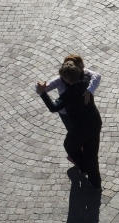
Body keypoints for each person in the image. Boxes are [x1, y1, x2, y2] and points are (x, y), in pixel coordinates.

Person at [38, 60, 103, 190]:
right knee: (92, 153)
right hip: (94, 122)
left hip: (79, 128)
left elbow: (53, 107)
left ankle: (84, 167)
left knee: (69, 146)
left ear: (67, 79)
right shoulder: (86, 80)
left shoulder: (68, 94)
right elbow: (96, 75)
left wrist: (42, 93)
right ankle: (96, 183)